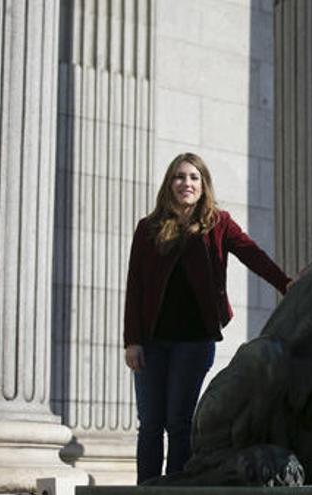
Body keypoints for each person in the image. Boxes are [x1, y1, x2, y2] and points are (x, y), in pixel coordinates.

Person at [123, 152, 292, 484]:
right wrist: (132, 341)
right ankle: (145, 489)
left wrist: (285, 284)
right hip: (153, 343)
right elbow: (136, 287)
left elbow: (252, 254)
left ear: (203, 185)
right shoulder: (149, 228)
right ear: (169, 184)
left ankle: (176, 488)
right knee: (151, 423)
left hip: (194, 341)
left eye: (193, 178)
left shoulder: (219, 223)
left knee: (180, 421)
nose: (186, 183)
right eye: (179, 177)